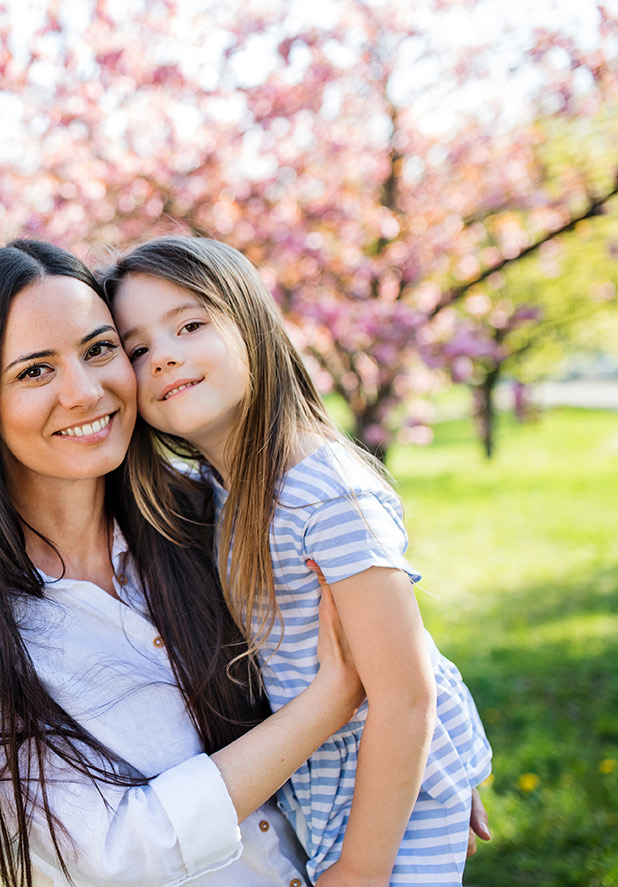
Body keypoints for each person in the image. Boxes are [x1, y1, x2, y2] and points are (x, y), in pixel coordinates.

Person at [0, 239, 367, 887]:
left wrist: (412, 770)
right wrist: (336, 698)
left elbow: (379, 636)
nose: (84, 391)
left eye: (100, 349)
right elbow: (112, 853)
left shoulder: (207, 515)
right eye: (34, 371)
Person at [102, 235, 493, 885]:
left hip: (383, 794)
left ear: (251, 325)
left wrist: (367, 863)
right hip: (334, 781)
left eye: (191, 324)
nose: (164, 355)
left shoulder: (324, 490)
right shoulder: (229, 491)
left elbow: (404, 690)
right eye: (137, 349)